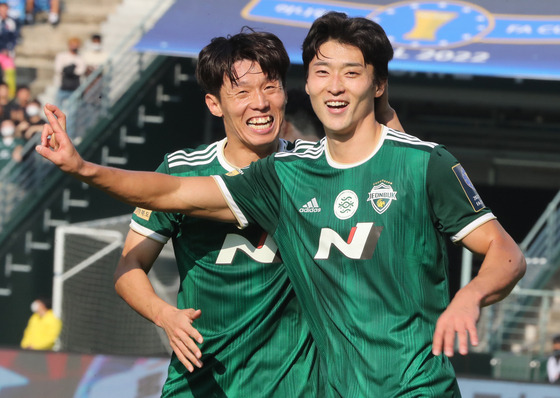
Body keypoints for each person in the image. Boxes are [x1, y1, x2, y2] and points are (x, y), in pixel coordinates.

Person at [36, 12, 525, 397]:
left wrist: (469, 296)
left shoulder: (354, 163)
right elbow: (167, 202)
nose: (259, 101)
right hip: (207, 382)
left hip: (327, 384)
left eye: (270, 86)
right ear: (214, 104)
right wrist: (83, 170)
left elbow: (401, 169)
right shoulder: (250, 173)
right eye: (242, 91)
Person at [54, 37, 86, 108]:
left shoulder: (80, 58)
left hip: (74, 88)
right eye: (72, 44)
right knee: (57, 109)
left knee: (72, 111)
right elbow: (58, 69)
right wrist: (71, 69)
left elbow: (81, 71)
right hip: (62, 86)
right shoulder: (62, 56)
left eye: (76, 45)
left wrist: (68, 70)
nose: (74, 47)